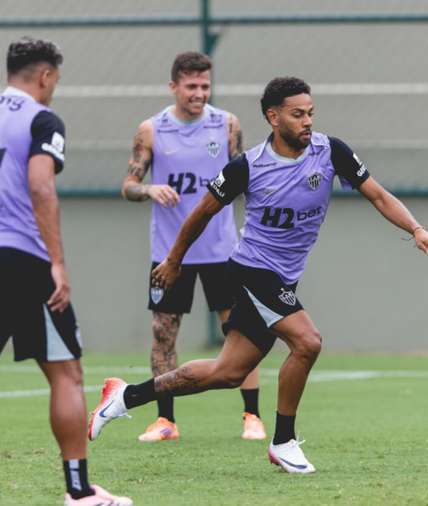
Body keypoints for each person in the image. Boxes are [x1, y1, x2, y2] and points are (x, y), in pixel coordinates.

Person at [89, 76, 428, 473]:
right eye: (298, 114)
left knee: (227, 373)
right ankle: (284, 441)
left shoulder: (331, 152)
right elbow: (202, 213)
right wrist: (174, 260)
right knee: (308, 342)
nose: (308, 121)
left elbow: (378, 194)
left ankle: (124, 396)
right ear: (273, 117)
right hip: (252, 270)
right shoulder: (249, 166)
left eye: (311, 113)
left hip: (283, 278)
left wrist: (416, 229)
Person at [0, 37, 132, 506]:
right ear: (46, 76)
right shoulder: (42, 119)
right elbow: (40, 185)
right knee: (66, 375)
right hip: (25, 261)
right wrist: (57, 261)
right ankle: (78, 491)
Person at [121, 51, 264, 442]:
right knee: (164, 333)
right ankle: (165, 421)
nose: (199, 93)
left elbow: (246, 178)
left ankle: (252, 416)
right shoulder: (151, 130)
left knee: (242, 331)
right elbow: (129, 185)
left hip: (222, 250)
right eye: (191, 86)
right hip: (171, 254)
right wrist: (149, 188)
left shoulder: (227, 125)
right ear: (174, 87)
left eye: (205, 86)